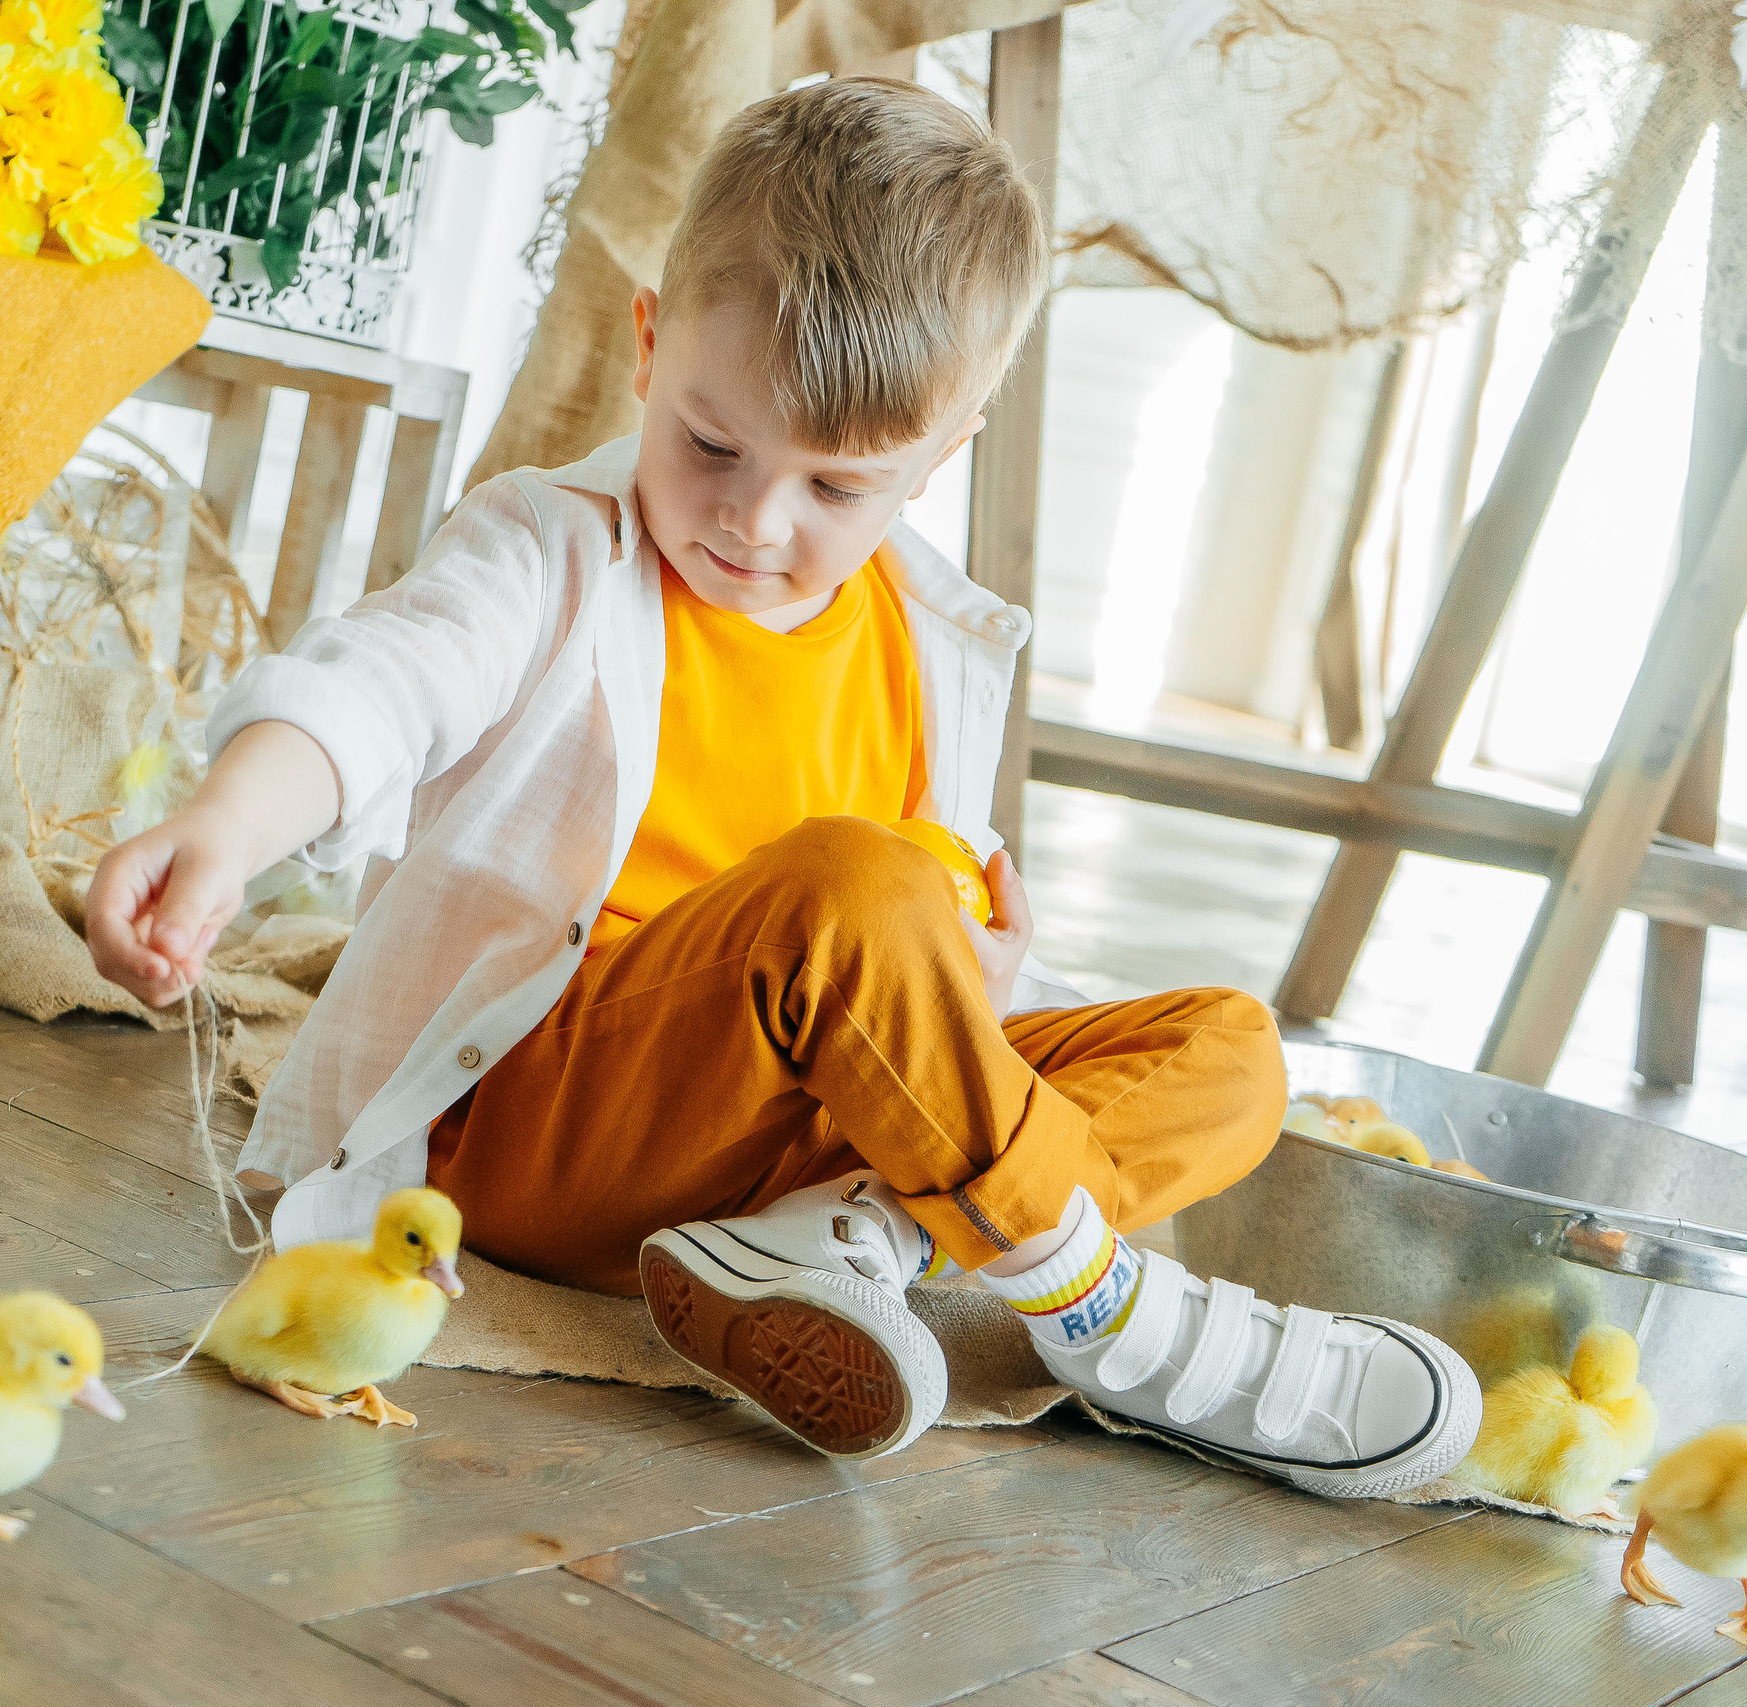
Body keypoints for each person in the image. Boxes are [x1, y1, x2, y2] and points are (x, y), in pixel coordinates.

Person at [86, 76, 1478, 1497]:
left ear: (943, 454)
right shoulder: (551, 554)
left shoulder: (929, 640)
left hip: (778, 1151)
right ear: (647, 343)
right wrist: (224, 824)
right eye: (713, 446)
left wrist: (969, 971)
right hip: (539, 1129)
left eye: (838, 487)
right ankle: (1114, 1312)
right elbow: (386, 682)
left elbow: (901, 937)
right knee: (849, 887)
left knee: (1233, 1055)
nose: (756, 522)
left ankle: (849, 1242)